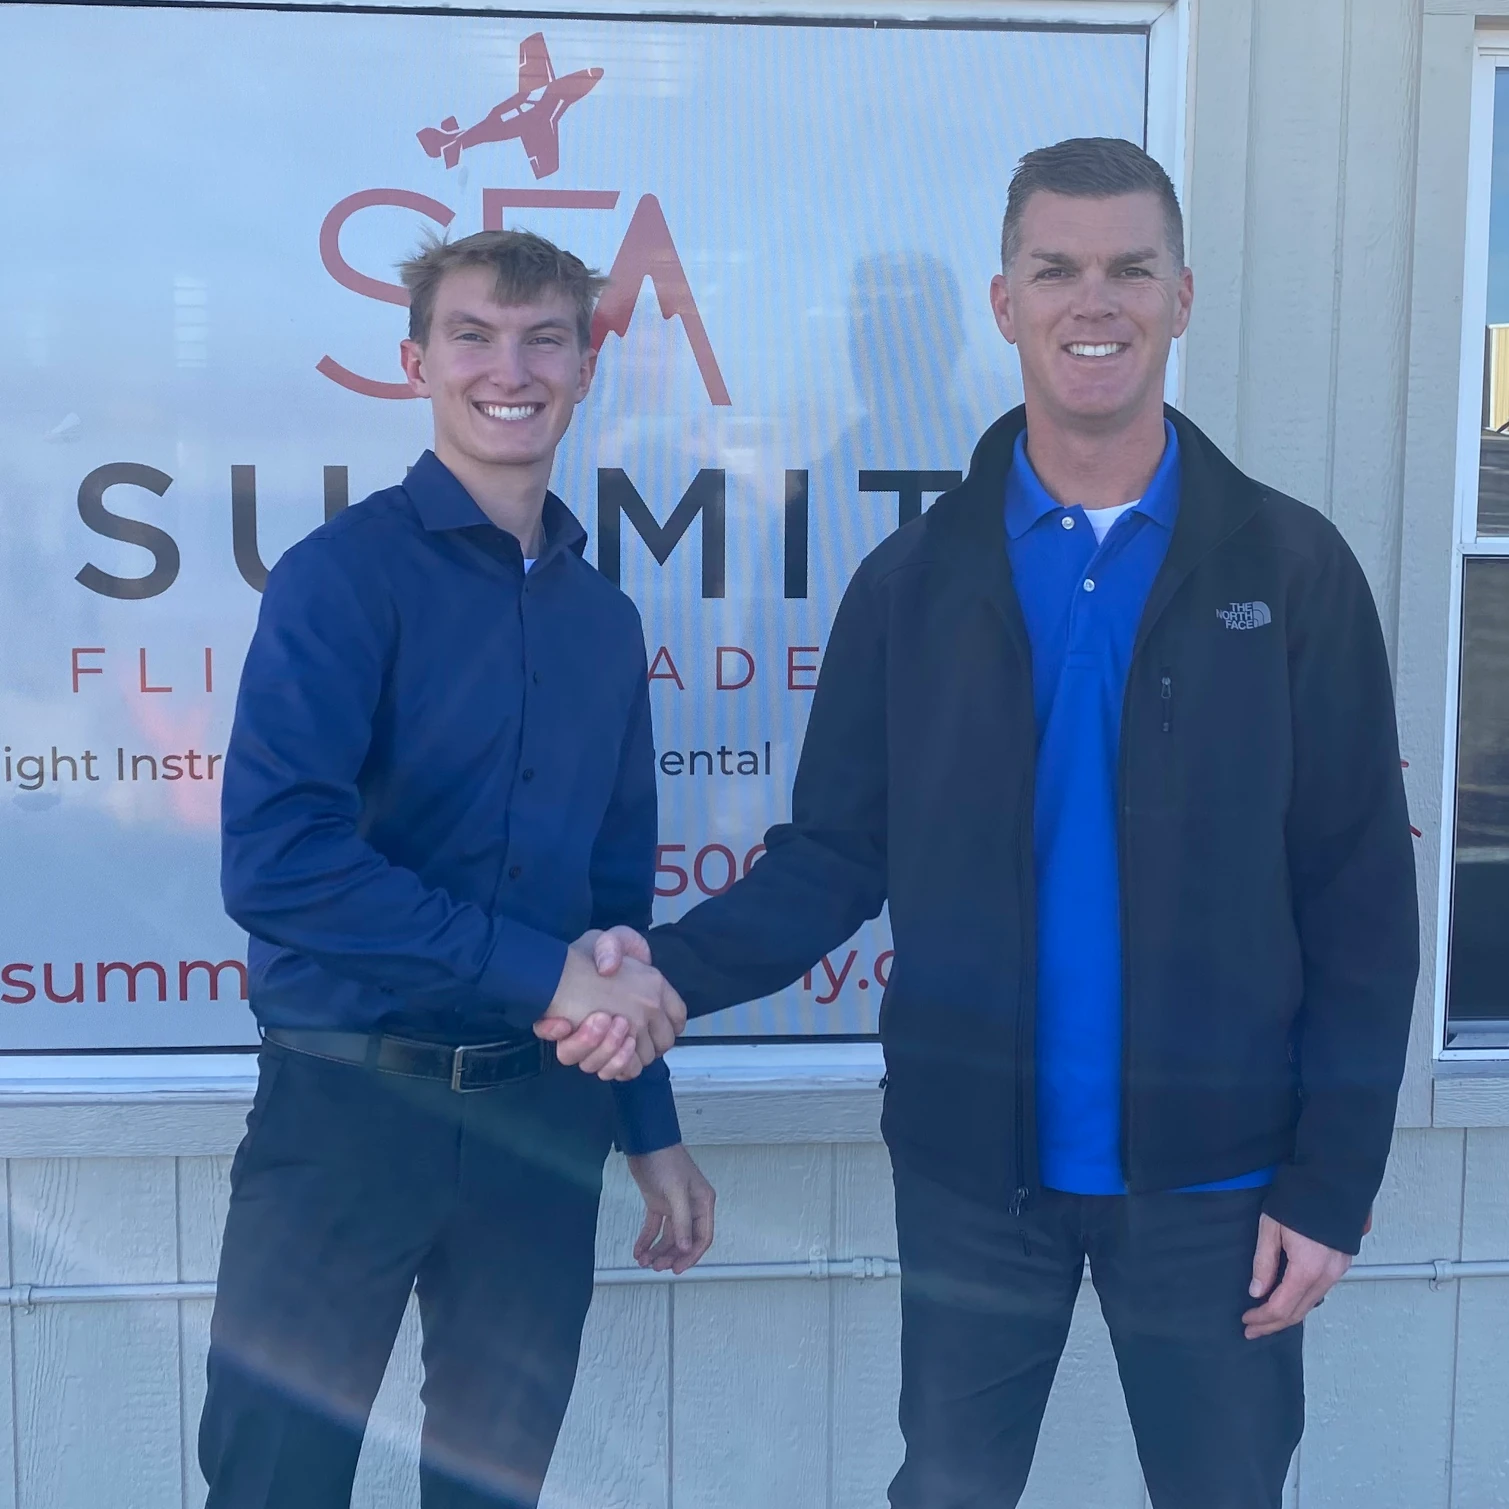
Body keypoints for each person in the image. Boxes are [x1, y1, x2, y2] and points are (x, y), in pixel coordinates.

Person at [569, 137, 1418, 1508]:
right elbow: (834, 854)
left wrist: (1331, 1181)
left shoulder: (1290, 566)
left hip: (1222, 1176)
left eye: (1129, 268)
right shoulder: (916, 580)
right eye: (1058, 269)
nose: (1097, 301)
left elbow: (1359, 896)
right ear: (1004, 302)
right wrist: (667, 972)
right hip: (976, 1173)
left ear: (1182, 295)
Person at [201, 229, 714, 1509]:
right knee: (276, 1484)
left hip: (543, 1126)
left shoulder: (604, 621)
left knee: (496, 1490)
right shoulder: (343, 579)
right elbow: (278, 864)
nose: (511, 367)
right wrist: (542, 970)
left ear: (587, 365)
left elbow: (612, 915)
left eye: (545, 337)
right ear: (414, 362)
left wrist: (646, 1128)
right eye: (474, 335)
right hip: (346, 1114)